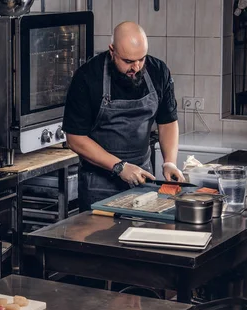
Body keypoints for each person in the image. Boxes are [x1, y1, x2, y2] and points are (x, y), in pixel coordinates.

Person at [62, 21, 185, 212]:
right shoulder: (87, 77)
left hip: (143, 178)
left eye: (141, 59)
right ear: (112, 51)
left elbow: (168, 121)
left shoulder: (158, 71)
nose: (136, 67)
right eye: (128, 61)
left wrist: (169, 162)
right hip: (99, 184)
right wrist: (119, 167)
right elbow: (75, 138)